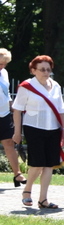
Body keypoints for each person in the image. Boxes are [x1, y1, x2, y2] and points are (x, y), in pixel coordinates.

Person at [11, 56, 64, 209]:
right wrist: (17, 132)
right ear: (33, 70)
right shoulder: (26, 86)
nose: (46, 72)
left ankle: (43, 199)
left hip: (53, 129)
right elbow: (17, 110)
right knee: (37, 164)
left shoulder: (55, 86)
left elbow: (61, 109)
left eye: (48, 69)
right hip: (33, 128)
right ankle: (27, 191)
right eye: (42, 69)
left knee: (49, 165)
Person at [0, 49, 27, 187]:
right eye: (0, 63)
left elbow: (6, 92)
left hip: (3, 113)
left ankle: (17, 174)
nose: (2, 66)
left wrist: (12, 106)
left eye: (4, 64)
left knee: (9, 143)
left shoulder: (4, 73)